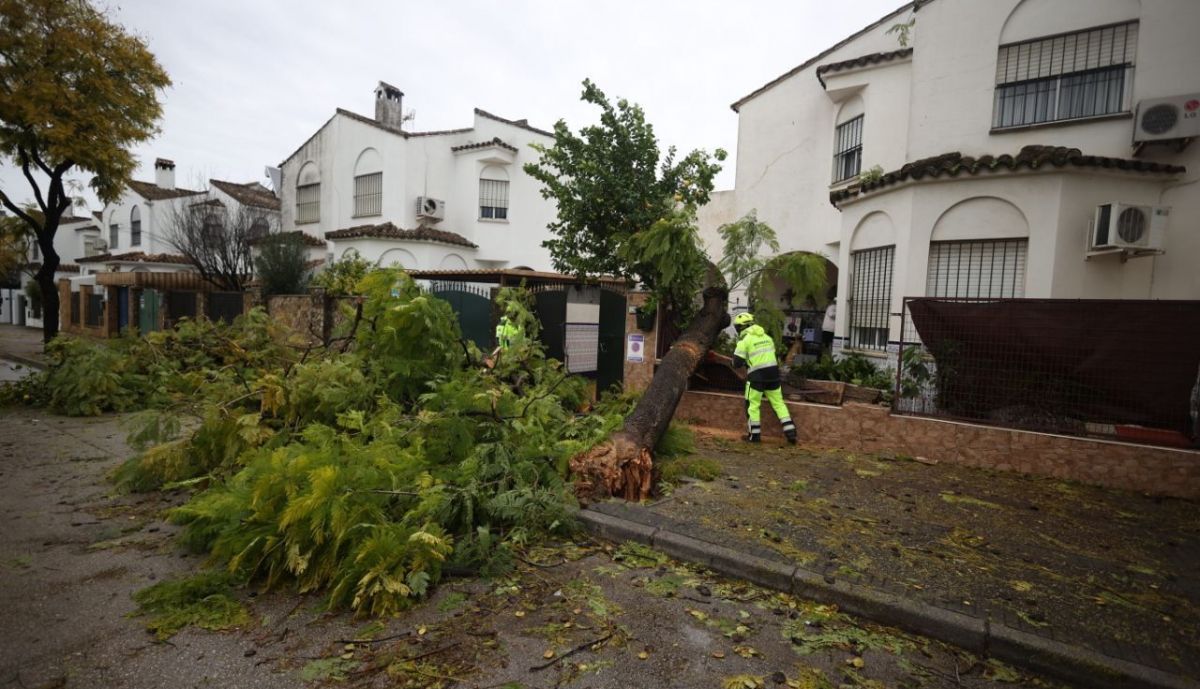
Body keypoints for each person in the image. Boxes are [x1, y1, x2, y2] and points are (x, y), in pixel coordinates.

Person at [732, 312, 797, 445]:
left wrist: (736, 362)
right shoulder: (767, 338)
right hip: (773, 375)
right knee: (779, 403)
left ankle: (754, 436)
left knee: (752, 405)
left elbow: (737, 363)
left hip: (756, 377)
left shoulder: (744, 341)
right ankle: (791, 433)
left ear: (740, 327)